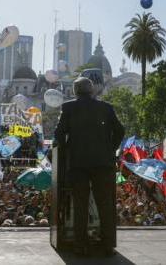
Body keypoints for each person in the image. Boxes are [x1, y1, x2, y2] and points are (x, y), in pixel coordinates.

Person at [53, 77, 125, 256]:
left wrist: (66, 151)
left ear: (76, 91)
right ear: (92, 90)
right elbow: (120, 130)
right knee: (105, 204)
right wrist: (110, 149)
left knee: (80, 204)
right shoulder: (106, 108)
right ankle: (107, 245)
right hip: (103, 163)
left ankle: (80, 245)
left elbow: (59, 133)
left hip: (78, 163)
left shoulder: (68, 107)